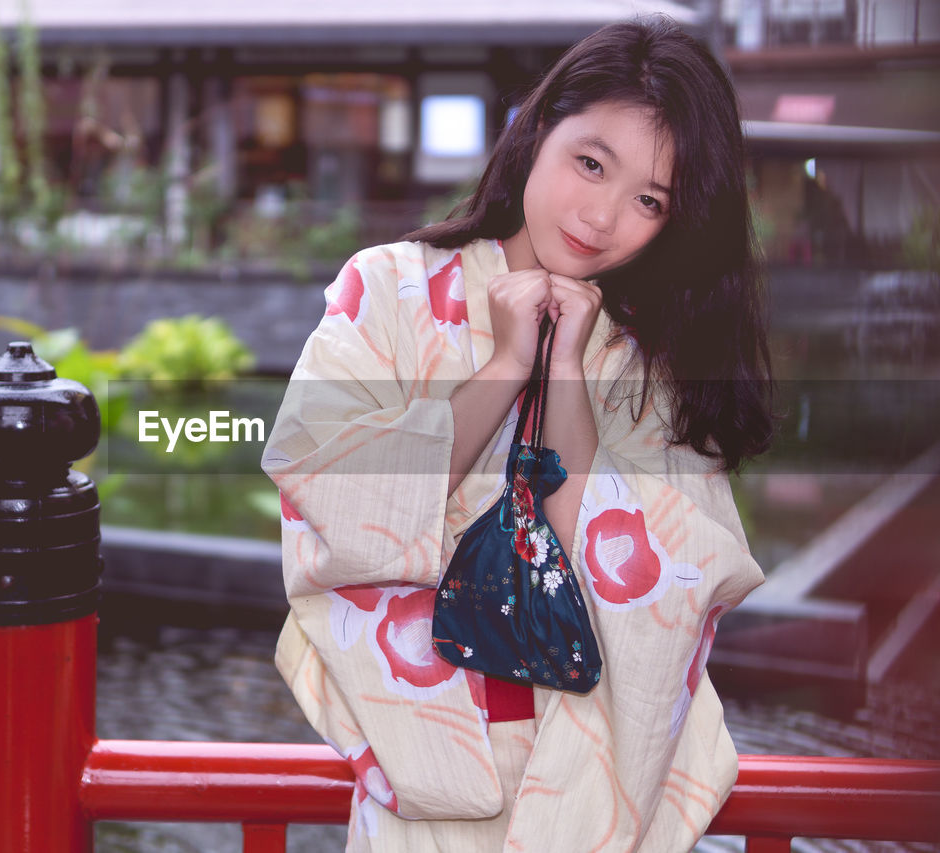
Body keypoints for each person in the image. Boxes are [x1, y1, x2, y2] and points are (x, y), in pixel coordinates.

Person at [260, 16, 774, 853]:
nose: (603, 216)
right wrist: (506, 362)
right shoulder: (387, 288)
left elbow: (644, 578)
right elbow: (326, 489)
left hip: (579, 792)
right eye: (591, 163)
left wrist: (566, 362)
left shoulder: (657, 364)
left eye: (649, 200)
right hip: (423, 798)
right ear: (537, 128)